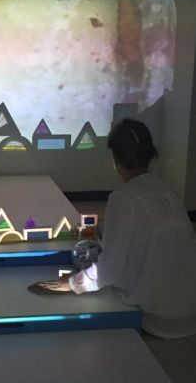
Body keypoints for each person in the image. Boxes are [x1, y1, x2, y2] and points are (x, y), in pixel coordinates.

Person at [38, 119, 196, 338]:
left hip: (157, 318)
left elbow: (110, 267)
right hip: (190, 312)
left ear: (115, 159)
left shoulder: (123, 198)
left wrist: (74, 283)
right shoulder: (168, 191)